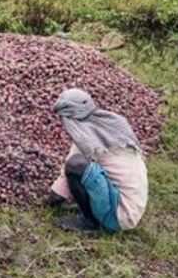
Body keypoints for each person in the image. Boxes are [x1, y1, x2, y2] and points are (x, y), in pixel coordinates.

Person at [46, 88, 148, 233]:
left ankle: (90, 222)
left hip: (118, 217)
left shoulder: (85, 141)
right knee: (87, 169)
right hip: (133, 208)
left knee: (76, 166)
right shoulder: (111, 126)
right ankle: (95, 210)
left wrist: (50, 201)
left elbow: (63, 182)